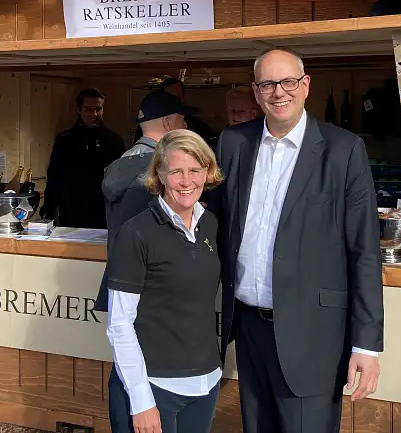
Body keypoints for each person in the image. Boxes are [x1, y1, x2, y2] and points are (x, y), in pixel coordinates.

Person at [208, 48, 384, 433]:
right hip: (248, 328)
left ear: (305, 86)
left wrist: (366, 345)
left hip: (313, 333)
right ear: (256, 92)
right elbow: (214, 224)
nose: (279, 92)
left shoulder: (343, 150)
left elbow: (364, 252)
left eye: (288, 82)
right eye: (268, 84)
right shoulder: (233, 143)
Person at [106, 130, 224, 433]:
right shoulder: (137, 233)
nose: (187, 182)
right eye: (176, 172)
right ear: (160, 174)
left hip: (204, 384)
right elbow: (119, 324)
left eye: (195, 170)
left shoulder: (209, 224)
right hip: (154, 387)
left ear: (207, 172)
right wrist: (142, 400)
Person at [94, 90, 190, 313]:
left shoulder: (121, 162)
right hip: (153, 286)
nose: (185, 126)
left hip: (122, 281)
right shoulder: (159, 170)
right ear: (167, 122)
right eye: (182, 119)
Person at [40, 88, 125, 229]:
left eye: (98, 109)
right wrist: (48, 208)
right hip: (71, 210)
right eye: (88, 109)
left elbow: (122, 179)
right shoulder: (65, 140)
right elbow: (54, 176)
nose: (94, 114)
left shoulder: (114, 140)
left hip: (103, 211)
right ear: (79, 109)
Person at [135, 78, 214, 143]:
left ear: (183, 97)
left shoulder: (197, 126)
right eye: (168, 98)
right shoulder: (147, 126)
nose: (174, 102)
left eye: (177, 97)